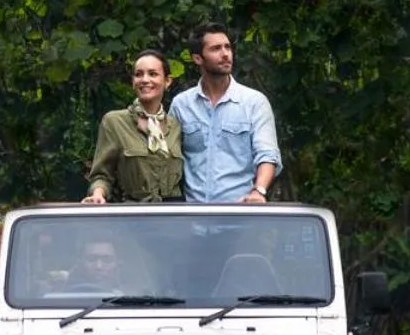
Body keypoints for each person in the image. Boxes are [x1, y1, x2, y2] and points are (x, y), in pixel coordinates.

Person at [170, 22, 281, 204]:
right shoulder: (181, 104)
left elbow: (268, 154)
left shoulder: (254, 102)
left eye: (227, 47)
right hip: (193, 217)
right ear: (198, 58)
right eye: (215, 49)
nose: (225, 54)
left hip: (239, 215)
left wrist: (259, 191)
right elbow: (169, 159)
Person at [83, 49, 184, 203]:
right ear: (133, 82)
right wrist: (98, 194)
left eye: (153, 74)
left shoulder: (175, 125)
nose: (145, 79)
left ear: (167, 81)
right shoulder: (115, 122)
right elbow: (102, 175)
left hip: (173, 217)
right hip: (135, 216)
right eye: (138, 74)